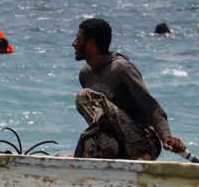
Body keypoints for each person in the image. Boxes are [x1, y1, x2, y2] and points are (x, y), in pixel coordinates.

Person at [71, 17, 187, 160]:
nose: (73, 44)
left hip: (144, 140)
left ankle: (143, 155)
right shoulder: (85, 75)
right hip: (115, 141)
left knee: (84, 96)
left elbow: (151, 107)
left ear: (91, 44)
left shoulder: (121, 68)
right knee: (89, 143)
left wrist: (166, 136)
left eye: (78, 39)